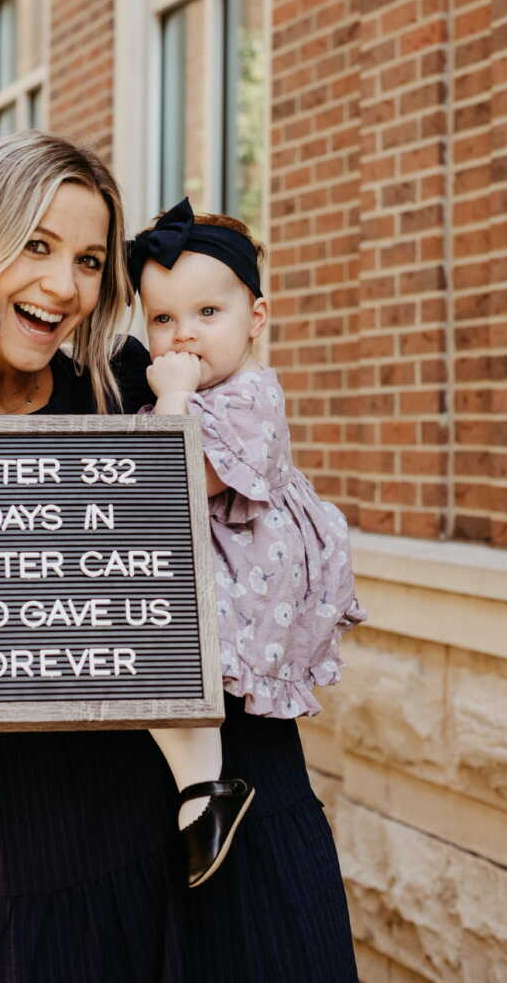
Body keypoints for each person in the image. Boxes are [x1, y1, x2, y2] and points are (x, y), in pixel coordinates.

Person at [0, 131, 360, 981]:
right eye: (36, 245)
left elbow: (258, 482)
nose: (65, 287)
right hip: (4, 883)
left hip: (204, 855)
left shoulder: (138, 392)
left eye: (91, 261)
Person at [128, 198, 366, 892]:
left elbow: (168, 485)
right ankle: (203, 793)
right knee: (159, 672)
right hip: (208, 569)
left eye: (208, 314)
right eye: (164, 320)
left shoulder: (250, 396)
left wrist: (170, 400)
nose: (184, 338)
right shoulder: (186, 394)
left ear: (254, 320)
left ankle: (205, 790)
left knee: (169, 662)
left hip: (249, 573)